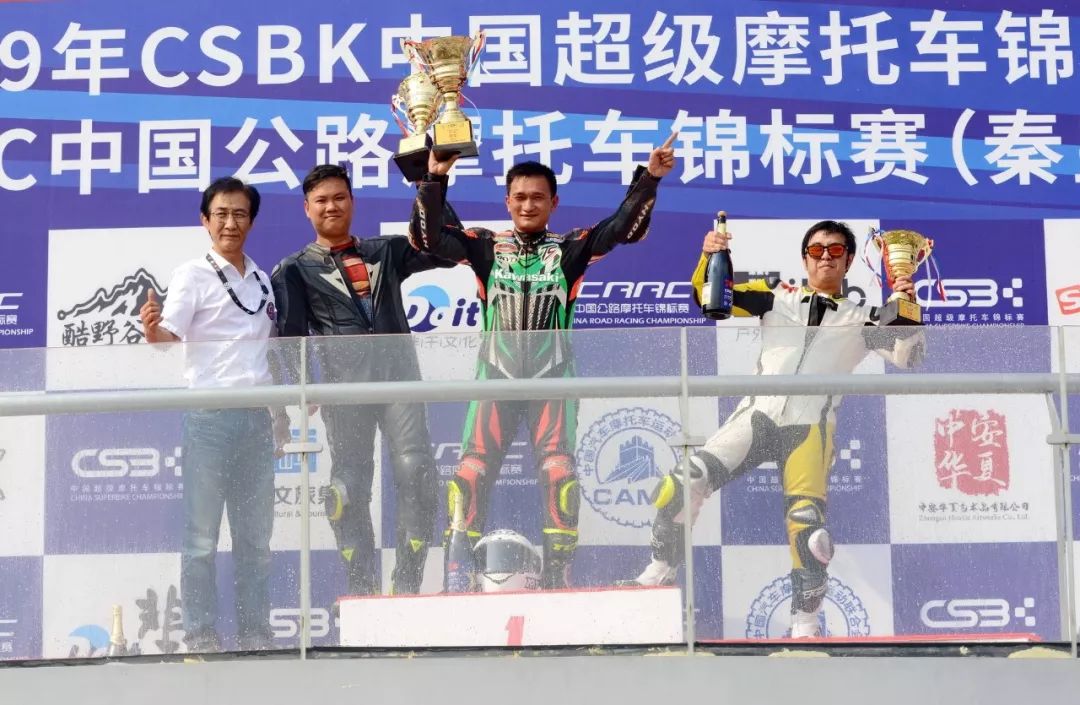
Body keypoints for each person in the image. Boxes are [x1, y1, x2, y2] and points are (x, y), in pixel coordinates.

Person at [618, 220, 924, 638]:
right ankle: (659, 571)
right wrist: (709, 255)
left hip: (810, 428)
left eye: (836, 250)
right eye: (817, 250)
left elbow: (909, 357)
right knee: (682, 482)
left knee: (808, 528)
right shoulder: (776, 296)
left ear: (849, 260)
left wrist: (907, 303)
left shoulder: (865, 318)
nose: (826, 257)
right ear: (804, 258)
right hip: (757, 415)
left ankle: (805, 625)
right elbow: (709, 299)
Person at [410, 134, 678, 589]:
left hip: (554, 379)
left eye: (537, 197)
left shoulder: (570, 247)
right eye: (519, 197)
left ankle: (557, 578)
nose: (528, 205)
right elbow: (427, 238)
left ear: (553, 202)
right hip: (493, 378)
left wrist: (649, 178)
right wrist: (434, 178)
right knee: (469, 475)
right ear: (507, 201)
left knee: (560, 476)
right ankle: (458, 576)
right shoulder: (484, 246)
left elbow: (623, 229)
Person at [271, 164, 459, 596]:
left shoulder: (385, 250)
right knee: (346, 489)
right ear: (306, 209)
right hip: (345, 391)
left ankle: (407, 586)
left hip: (400, 383)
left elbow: (446, 248)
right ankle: (362, 590)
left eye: (339, 197)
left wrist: (432, 184)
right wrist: (304, 386)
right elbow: (290, 337)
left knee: (417, 475)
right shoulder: (293, 269)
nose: (331, 206)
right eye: (321, 200)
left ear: (353, 202)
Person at [139, 176, 289, 652]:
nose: (230, 222)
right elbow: (168, 339)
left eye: (240, 213)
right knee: (201, 538)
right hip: (209, 417)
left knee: (255, 539)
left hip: (256, 419)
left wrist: (280, 416)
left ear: (252, 221)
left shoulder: (262, 279)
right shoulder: (192, 274)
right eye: (221, 213)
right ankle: (201, 634)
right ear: (205, 220)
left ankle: (255, 634)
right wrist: (152, 332)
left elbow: (269, 354)